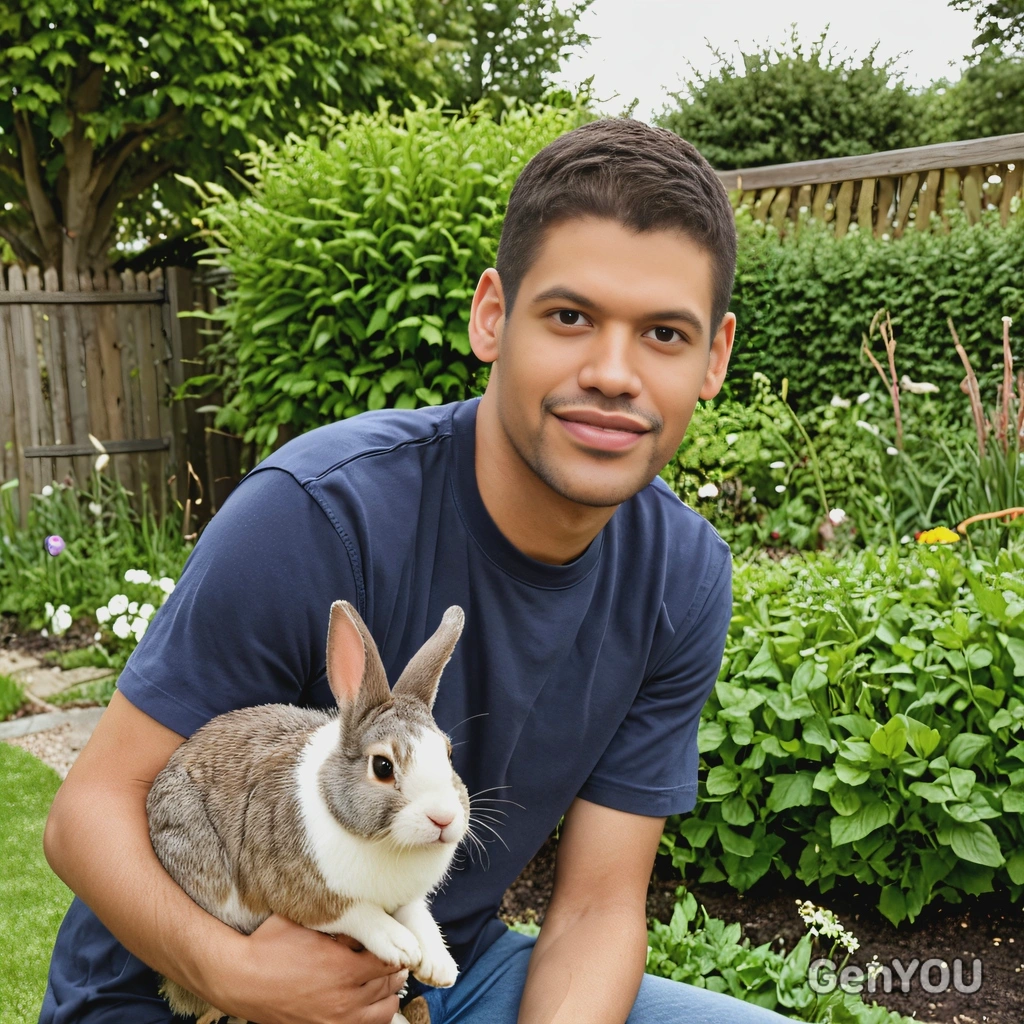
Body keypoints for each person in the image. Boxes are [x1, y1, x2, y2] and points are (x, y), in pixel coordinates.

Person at [40, 118, 789, 1024]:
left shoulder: (683, 575)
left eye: (665, 334)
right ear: (492, 317)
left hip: (426, 972)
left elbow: (596, 906)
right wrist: (233, 975)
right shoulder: (315, 515)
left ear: (714, 358)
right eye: (570, 316)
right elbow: (87, 814)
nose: (614, 373)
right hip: (175, 989)